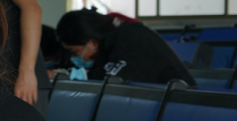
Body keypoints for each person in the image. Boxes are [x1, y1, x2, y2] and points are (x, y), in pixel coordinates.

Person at [56, 8, 196, 86]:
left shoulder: (131, 38)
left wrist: (75, 77)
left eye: (75, 52)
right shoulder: (110, 42)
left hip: (180, 104)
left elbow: (115, 84)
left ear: (92, 43)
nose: (75, 58)